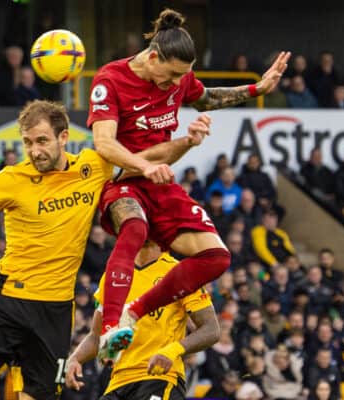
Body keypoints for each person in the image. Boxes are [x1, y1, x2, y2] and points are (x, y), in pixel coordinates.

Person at [0, 99, 210, 400]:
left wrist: (188, 142)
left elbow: (146, 158)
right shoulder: (11, 179)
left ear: (63, 138)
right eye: (28, 142)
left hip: (55, 312)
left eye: (43, 141)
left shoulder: (93, 166)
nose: (35, 150)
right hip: (5, 303)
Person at [87, 7, 290, 356]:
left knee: (216, 257)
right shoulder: (111, 79)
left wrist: (259, 88)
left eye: (181, 77)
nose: (173, 84)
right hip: (122, 180)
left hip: (161, 181)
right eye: (169, 76)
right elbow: (103, 144)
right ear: (152, 57)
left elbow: (206, 98)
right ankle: (109, 330)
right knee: (134, 228)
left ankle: (134, 313)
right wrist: (143, 166)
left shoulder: (178, 78)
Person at [65, 241, 219, 400]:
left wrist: (173, 350)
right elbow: (96, 336)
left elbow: (211, 329)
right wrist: (75, 359)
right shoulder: (113, 275)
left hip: (160, 378)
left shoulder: (181, 272)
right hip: (118, 382)